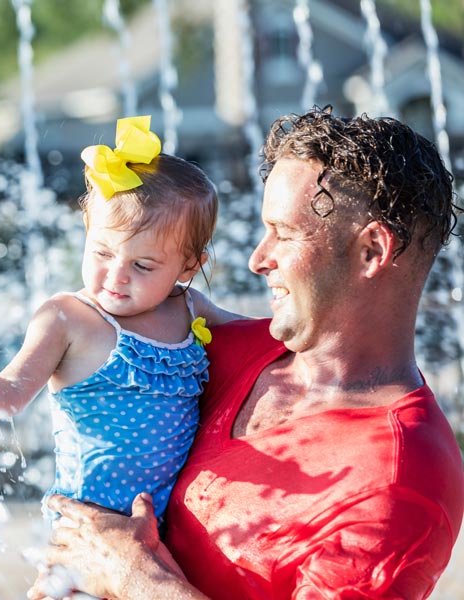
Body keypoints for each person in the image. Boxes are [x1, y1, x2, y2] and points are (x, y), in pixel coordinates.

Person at [27, 106, 464, 600]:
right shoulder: (201, 351)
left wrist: (136, 579)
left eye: (285, 233)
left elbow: (127, 568)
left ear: (371, 251)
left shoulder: (397, 481)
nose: (258, 258)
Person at [0, 116, 243, 598]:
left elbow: (255, 334)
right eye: (100, 252)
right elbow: (9, 395)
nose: (115, 276)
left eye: (142, 265)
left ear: (189, 265)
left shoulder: (188, 306)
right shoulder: (68, 318)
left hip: (169, 529)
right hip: (87, 534)